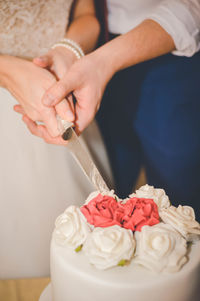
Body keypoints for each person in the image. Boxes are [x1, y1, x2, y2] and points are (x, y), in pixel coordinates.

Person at [19, 0, 200, 220]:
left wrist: (98, 60)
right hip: (83, 63)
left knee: (177, 201)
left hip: (171, 53)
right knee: (107, 194)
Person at [0, 0, 112, 279]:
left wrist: (67, 49)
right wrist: (7, 70)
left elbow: (87, 15)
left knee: (83, 256)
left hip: (62, 87)